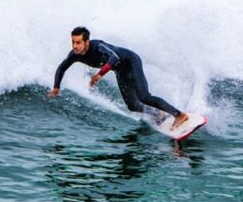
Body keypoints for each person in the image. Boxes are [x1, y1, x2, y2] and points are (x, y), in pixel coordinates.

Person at [48, 26, 189, 129]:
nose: (75, 46)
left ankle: (179, 115)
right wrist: (56, 87)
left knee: (144, 96)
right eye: (73, 42)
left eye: (78, 42)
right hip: (120, 71)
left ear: (87, 42)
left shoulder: (98, 46)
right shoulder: (74, 55)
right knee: (133, 106)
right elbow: (62, 67)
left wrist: (99, 74)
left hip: (131, 62)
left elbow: (114, 57)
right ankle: (157, 114)